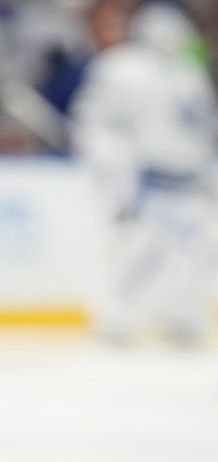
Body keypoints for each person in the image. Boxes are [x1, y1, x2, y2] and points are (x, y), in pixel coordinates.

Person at [71, 3, 217, 346]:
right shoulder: (120, 66)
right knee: (137, 250)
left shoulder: (190, 73)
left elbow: (204, 129)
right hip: (148, 179)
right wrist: (118, 171)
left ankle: (185, 313)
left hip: (191, 180)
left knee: (194, 253)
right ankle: (119, 315)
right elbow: (96, 123)